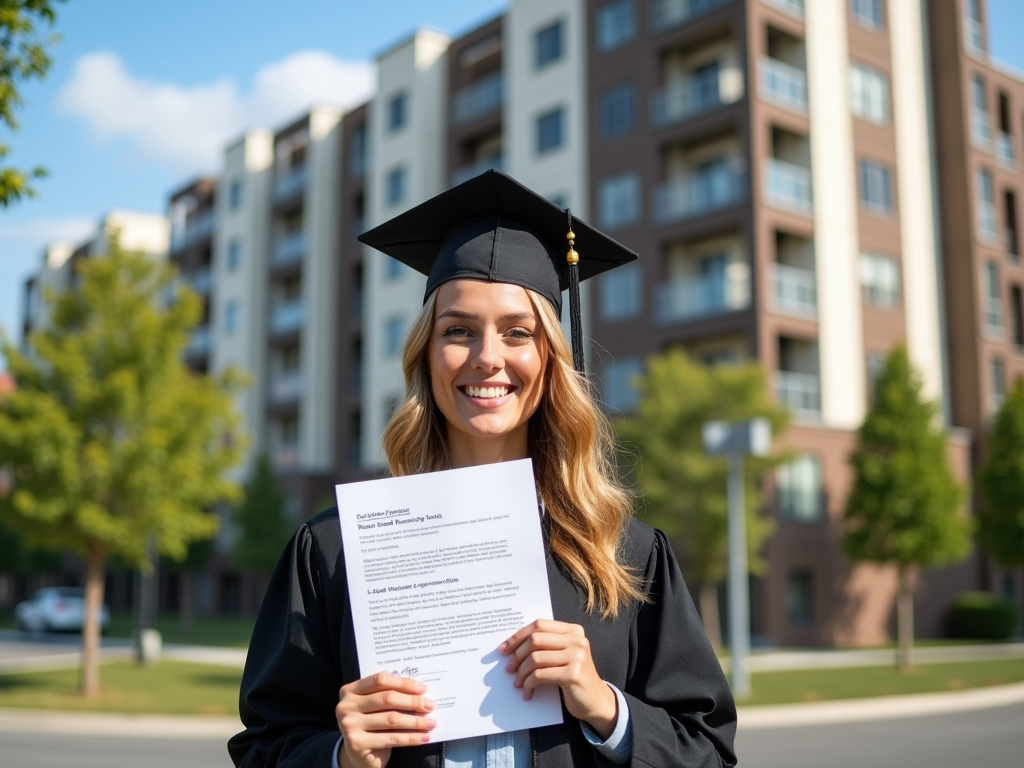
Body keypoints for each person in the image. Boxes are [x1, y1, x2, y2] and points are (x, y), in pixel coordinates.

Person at [228, 171, 737, 768]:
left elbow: (707, 752)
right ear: (426, 355)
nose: (487, 357)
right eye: (458, 331)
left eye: (518, 333)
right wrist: (339, 755)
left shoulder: (625, 555)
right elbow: (264, 748)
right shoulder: (334, 551)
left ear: (550, 361)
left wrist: (606, 709)